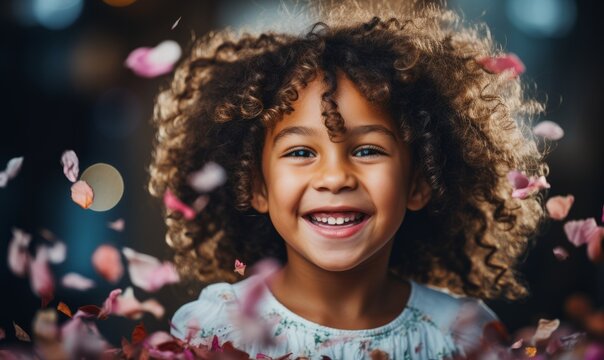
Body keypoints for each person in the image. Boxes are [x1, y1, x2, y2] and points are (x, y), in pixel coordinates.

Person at [147, 1, 548, 358]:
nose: (335, 177)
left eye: (367, 150)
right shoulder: (216, 329)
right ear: (256, 186)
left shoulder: (466, 334)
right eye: (301, 153)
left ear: (419, 183)